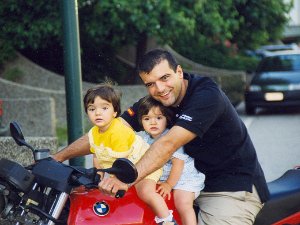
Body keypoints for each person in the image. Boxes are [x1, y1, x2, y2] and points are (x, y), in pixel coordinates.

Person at [53, 49, 270, 225]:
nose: (160, 89)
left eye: (165, 78)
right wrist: (58, 158)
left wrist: (126, 178)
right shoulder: (155, 103)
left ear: (179, 71)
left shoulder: (206, 95)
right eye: (150, 84)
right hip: (183, 186)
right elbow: (109, 129)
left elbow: (168, 143)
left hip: (230, 189)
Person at [80, 82, 178, 225]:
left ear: (115, 112)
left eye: (104, 108)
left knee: (145, 192)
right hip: (126, 168)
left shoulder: (117, 131)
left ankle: (167, 219)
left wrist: (115, 181)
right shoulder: (94, 133)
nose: (98, 113)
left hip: (144, 165)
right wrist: (98, 176)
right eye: (92, 109)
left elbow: (122, 162)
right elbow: (97, 155)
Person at [137, 95, 205, 225]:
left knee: (182, 203)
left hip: (184, 177)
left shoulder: (171, 137)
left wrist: (169, 184)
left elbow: (178, 164)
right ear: (141, 121)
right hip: (162, 176)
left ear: (166, 119)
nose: (153, 122)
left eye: (158, 118)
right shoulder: (144, 138)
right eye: (147, 118)